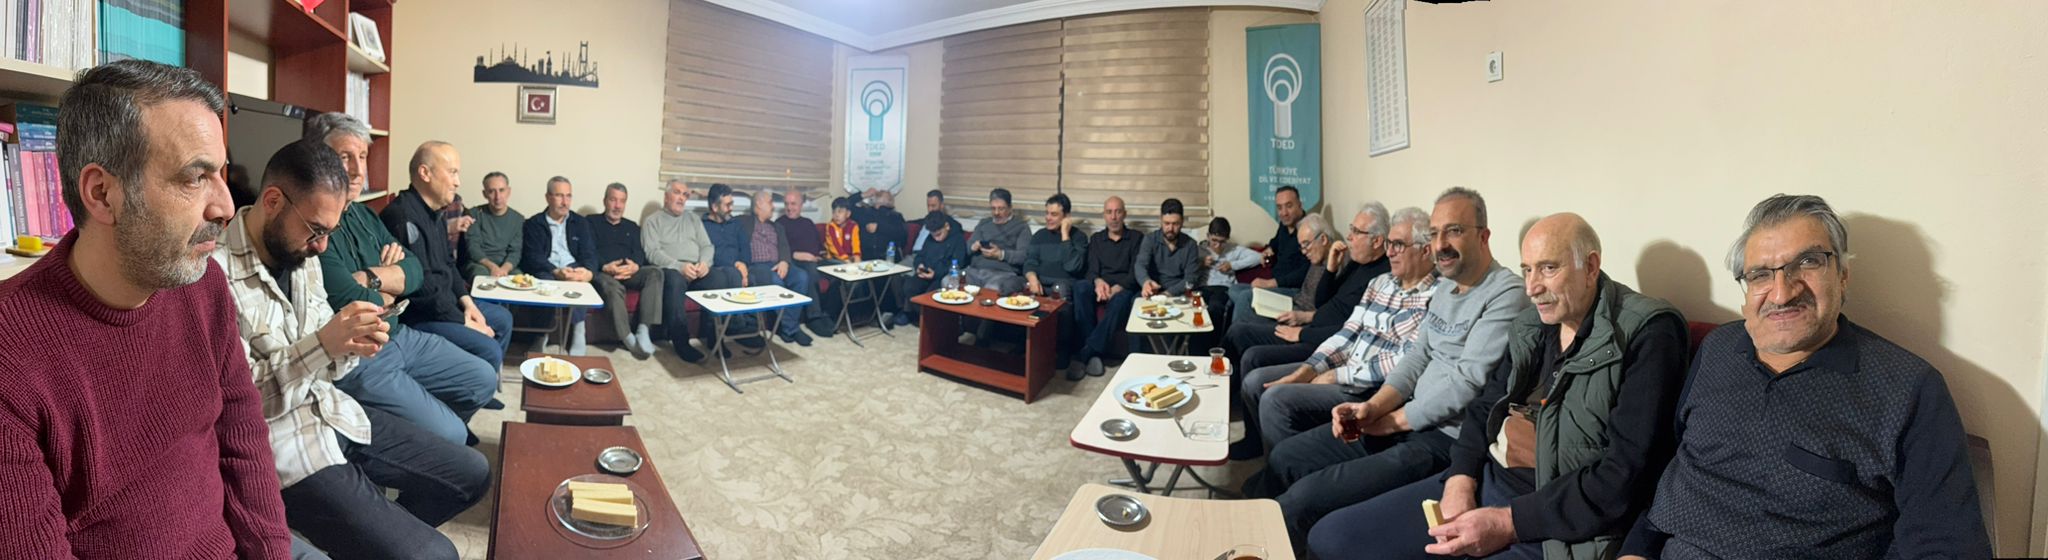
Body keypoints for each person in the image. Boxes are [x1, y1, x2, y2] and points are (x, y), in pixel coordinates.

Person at [0, 59, 291, 557]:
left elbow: (242, 435)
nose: (226, 206)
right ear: (102, 194)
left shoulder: (202, 282)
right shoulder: (12, 355)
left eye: (220, 173)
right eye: (195, 177)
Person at [1618, 195, 1989, 559]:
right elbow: (1679, 462)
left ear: (1842, 276)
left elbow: (1946, 544)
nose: (1782, 293)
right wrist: (1636, 549)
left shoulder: (1908, 389)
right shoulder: (1718, 349)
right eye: (1760, 274)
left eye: (1808, 262)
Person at [1310, 213, 1690, 560]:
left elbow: (1623, 476)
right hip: (1488, 482)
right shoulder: (1533, 325)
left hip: (1551, 520)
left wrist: (1508, 522)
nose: (1532, 287)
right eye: (1527, 270)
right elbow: (1484, 406)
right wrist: (1461, 477)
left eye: (1548, 268)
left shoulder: (1647, 333)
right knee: (1331, 538)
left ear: (1590, 266)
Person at [215, 139, 489, 560]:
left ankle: (376, 539)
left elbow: (331, 366)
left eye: (331, 232)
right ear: (272, 201)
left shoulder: (303, 255)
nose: (323, 247)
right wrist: (325, 344)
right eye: (316, 230)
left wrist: (351, 344)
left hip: (334, 411)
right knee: (437, 555)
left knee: (473, 472)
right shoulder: (214, 277)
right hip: (283, 445)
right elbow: (237, 407)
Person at [1244, 188, 1528, 551]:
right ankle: (1253, 535)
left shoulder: (1505, 293)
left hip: (1442, 439)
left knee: (1304, 503)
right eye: (1435, 233)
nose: (1441, 244)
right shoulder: (1446, 289)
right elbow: (1415, 358)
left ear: (1484, 235)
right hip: (1403, 416)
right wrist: (1374, 407)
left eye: (1454, 231)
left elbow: (1466, 384)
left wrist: (1392, 420)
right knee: (1286, 457)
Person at [304, 122, 497, 446]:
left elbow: (415, 269)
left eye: (362, 157)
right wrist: (389, 284)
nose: (357, 170)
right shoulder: (316, 224)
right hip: (361, 353)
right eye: (344, 157)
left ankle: (434, 435)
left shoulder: (365, 215)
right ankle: (435, 442)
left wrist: (372, 278)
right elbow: (350, 299)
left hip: (400, 332)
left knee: (483, 379)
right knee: (451, 434)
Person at [1238, 206, 1436, 455]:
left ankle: (1285, 468)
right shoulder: (1380, 282)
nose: (1390, 252)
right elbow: (1348, 331)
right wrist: (1309, 369)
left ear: (1425, 250)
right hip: (1342, 363)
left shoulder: (1435, 296)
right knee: (1255, 381)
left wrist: (1337, 375)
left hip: (1370, 390)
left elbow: (1403, 361)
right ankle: (1272, 456)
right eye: (1390, 244)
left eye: (1398, 245)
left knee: (1274, 398)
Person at [382, 141, 515, 367]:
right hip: (422, 315)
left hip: (446, 304)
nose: (457, 182)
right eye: (452, 172)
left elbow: (448, 264)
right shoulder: (401, 215)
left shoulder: (435, 213)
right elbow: (422, 290)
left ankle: (480, 378)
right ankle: (475, 380)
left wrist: (469, 304)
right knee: (489, 349)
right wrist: (465, 322)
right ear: (425, 173)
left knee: (503, 319)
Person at [1221, 213, 1340, 360]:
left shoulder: (1335, 264)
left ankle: (1225, 361)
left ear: (1323, 239)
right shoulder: (1316, 256)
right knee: (1238, 294)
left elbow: (1332, 311)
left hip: (1300, 321)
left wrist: (1305, 317)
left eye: (1306, 245)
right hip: (1292, 305)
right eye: (1301, 247)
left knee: (1239, 325)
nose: (1304, 252)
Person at [587, 182, 672, 359]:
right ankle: (627, 337)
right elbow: (589, 252)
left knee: (655, 273)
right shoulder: (590, 222)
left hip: (629, 272)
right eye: (613, 200)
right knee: (612, 287)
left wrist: (635, 266)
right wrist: (604, 266)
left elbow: (639, 253)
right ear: (604, 201)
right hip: (604, 272)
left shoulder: (632, 227)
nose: (617, 206)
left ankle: (643, 330)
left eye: (622, 201)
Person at [518, 176, 601, 355]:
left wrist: (588, 272)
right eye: (559, 196)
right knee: (544, 283)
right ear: (548, 197)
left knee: (578, 281)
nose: (565, 202)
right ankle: (541, 336)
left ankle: (579, 331)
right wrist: (555, 271)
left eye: (568, 196)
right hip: (548, 268)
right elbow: (532, 257)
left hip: (573, 267)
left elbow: (590, 253)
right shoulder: (534, 223)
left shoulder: (580, 222)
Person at [1070, 195, 1143, 376]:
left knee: (1120, 301)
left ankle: (1087, 352)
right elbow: (1091, 270)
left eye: (1118, 212)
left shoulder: (1136, 238)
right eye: (1109, 212)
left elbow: (1136, 273)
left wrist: (1117, 288)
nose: (1114, 217)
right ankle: (1094, 352)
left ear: (1124, 214)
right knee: (1080, 287)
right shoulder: (1096, 239)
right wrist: (1098, 282)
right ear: (1104, 215)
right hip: (1101, 287)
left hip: (1124, 288)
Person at [640, 180, 712, 362]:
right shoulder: (652, 221)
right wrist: (679, 266)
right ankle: (682, 343)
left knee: (724, 276)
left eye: (685, 194)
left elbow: (707, 246)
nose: (682, 198)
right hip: (673, 271)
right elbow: (652, 253)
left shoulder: (693, 219)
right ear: (666, 196)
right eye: (677, 193)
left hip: (697, 270)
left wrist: (704, 263)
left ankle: (715, 336)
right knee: (674, 279)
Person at [1022, 193, 1090, 376]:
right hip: (1040, 282)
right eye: (1047, 213)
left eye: (1053, 214)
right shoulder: (1039, 236)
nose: (1048, 218)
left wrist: (1065, 236)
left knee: (1061, 291)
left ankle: (1062, 350)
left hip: (1063, 284)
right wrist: (1032, 278)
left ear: (1066, 216)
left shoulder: (1079, 237)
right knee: (1022, 290)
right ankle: (1026, 346)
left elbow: (1073, 266)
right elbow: (1029, 262)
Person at [1230, 185, 1311, 325]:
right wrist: (1269, 249)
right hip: (1276, 286)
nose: (1284, 213)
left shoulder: (1308, 230)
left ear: (1300, 205)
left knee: (1245, 297)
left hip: (1293, 291)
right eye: (1279, 208)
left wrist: (1270, 283)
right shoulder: (1284, 225)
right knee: (1233, 289)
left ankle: (1239, 334)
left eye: (1289, 206)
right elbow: (1275, 241)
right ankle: (1259, 322)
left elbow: (1305, 273)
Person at [777, 188, 837, 336]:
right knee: (810, 270)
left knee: (840, 269)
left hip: (816, 260)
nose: (789, 208)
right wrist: (797, 254)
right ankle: (813, 317)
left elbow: (819, 246)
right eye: (786, 204)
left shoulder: (808, 222)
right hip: (795, 262)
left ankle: (829, 313)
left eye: (793, 204)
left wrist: (822, 254)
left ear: (801, 205)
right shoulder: (779, 224)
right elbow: (777, 249)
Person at [897, 213, 970, 325]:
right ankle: (917, 316)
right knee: (909, 287)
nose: (936, 238)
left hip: (942, 275)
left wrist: (935, 274)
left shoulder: (958, 239)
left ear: (947, 226)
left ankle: (931, 322)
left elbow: (958, 263)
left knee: (931, 295)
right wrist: (919, 265)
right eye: (933, 235)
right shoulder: (930, 238)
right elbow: (920, 255)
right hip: (926, 272)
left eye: (939, 234)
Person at [854, 189, 910, 320]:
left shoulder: (896, 216)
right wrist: (863, 195)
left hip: (887, 257)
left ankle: (884, 313)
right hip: (866, 257)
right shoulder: (866, 213)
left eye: (885, 196)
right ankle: (867, 313)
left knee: (883, 275)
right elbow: (847, 205)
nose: (880, 195)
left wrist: (879, 227)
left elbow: (902, 235)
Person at [965, 188, 1032, 294]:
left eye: (1001, 209)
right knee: (949, 281)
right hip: (975, 271)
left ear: (1010, 208)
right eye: (993, 208)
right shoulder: (984, 223)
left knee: (991, 288)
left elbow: (1023, 256)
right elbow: (967, 248)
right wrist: (974, 246)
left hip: (1002, 274)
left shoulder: (1021, 227)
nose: (996, 213)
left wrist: (1001, 254)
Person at [1134, 198, 1204, 300]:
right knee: (1134, 302)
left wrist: (1167, 294)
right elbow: (1140, 265)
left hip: (1180, 292)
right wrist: (1145, 282)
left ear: (1182, 222)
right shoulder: (1150, 240)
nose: (1170, 229)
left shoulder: (1191, 245)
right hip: (1154, 290)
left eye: (1175, 224)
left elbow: (1191, 278)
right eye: (1166, 223)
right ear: (1160, 220)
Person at [1200, 216, 1263, 324]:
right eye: (1214, 240)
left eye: (1222, 242)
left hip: (1223, 288)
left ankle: (1215, 335)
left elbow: (1258, 257)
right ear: (1208, 236)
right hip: (1203, 286)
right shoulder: (1200, 249)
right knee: (1197, 305)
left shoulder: (1233, 249)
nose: (1217, 245)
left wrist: (1232, 265)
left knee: (1215, 307)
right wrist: (1201, 263)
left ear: (1227, 239)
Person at [463, 171, 523, 281]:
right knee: (481, 276)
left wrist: (504, 269)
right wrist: (492, 267)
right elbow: (473, 247)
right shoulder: (474, 214)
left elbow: (515, 251)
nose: (497, 197)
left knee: (519, 279)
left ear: (509, 191)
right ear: (484, 194)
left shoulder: (518, 219)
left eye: (501, 190)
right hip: (480, 264)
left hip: (506, 266)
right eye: (491, 191)